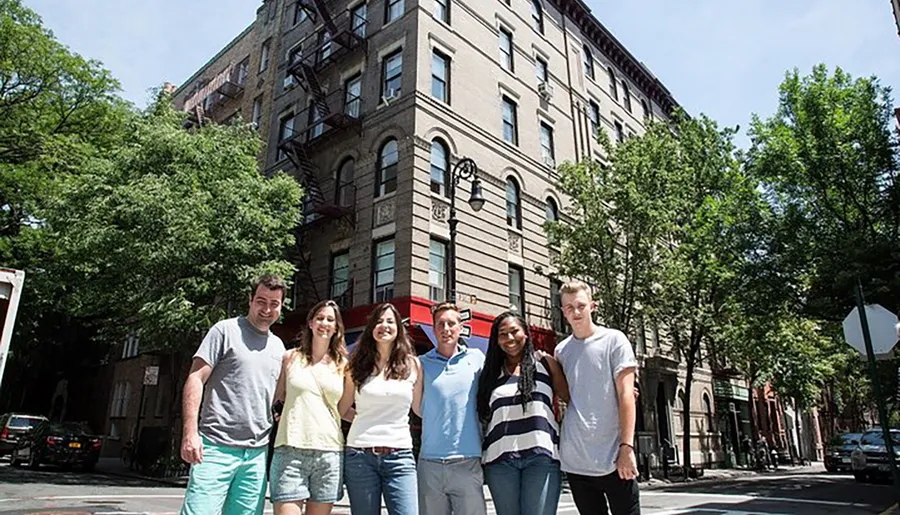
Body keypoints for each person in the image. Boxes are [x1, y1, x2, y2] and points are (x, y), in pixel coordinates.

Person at [180, 274, 288, 515]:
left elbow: (277, 401)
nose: (267, 309)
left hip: (257, 455)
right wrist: (190, 433)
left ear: (281, 307)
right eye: (261, 301)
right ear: (250, 300)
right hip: (214, 448)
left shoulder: (279, 347)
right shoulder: (224, 330)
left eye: (274, 303)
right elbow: (195, 378)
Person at [555, 280, 640, 515]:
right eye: (569, 307)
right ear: (563, 312)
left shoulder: (615, 340)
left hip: (614, 457)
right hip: (577, 462)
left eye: (581, 305)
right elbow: (569, 396)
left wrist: (627, 447)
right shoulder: (562, 350)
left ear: (592, 306)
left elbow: (626, 395)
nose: (576, 311)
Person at [476, 311, 570, 515]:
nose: (509, 338)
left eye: (514, 331)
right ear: (497, 340)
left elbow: (572, 400)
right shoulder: (490, 373)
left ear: (525, 333)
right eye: (503, 334)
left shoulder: (545, 363)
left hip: (541, 458)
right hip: (499, 461)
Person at [338, 303, 422, 515]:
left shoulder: (414, 365)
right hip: (360, 457)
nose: (384, 325)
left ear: (398, 328)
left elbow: (420, 409)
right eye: (378, 321)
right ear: (371, 328)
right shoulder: (355, 364)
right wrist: (361, 418)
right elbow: (342, 408)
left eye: (390, 321)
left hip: (400, 456)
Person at [270, 300, 348, 515]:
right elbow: (278, 399)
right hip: (290, 450)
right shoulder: (290, 357)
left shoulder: (343, 364)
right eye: (320, 318)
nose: (324, 323)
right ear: (311, 323)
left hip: (329, 453)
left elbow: (343, 409)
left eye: (330, 320)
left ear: (336, 328)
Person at [417, 302, 486, 515]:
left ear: (460, 326)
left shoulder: (476, 359)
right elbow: (419, 408)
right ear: (434, 327)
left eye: (451, 323)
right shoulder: (421, 363)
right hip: (430, 463)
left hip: (468, 460)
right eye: (440, 324)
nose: (446, 329)